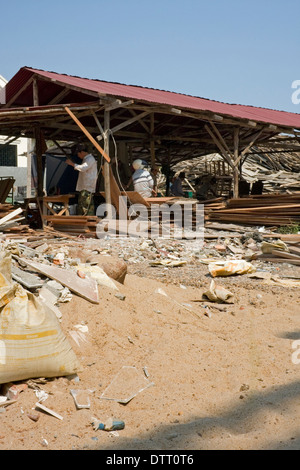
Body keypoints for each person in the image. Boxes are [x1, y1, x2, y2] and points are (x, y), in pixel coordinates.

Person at [66, 143, 98, 215]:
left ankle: (88, 222)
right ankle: (85, 221)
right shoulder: (86, 159)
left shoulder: (90, 159)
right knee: (83, 205)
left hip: (87, 187)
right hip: (84, 187)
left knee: (86, 206)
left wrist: (72, 164)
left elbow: (83, 168)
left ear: (82, 152)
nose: (78, 155)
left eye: (78, 153)